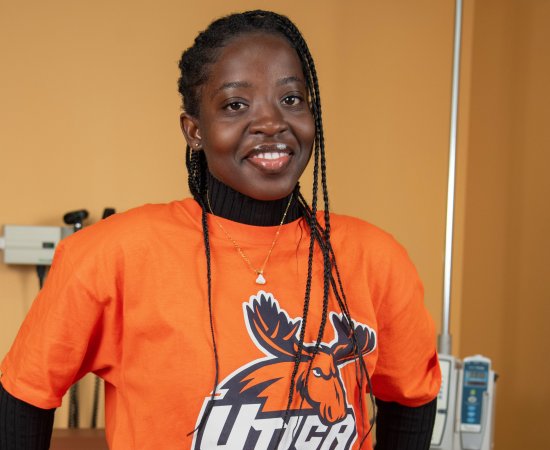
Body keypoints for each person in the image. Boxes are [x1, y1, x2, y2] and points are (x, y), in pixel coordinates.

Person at [0, 10, 440, 450]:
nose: (271, 123)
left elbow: (411, 400)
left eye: (291, 100)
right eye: (236, 104)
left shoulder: (377, 259)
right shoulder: (109, 256)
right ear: (194, 131)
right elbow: (24, 395)